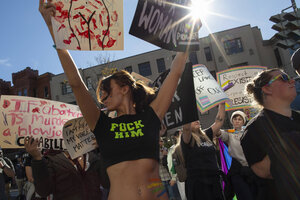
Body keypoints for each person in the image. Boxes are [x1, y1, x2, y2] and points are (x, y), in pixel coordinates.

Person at [39, 0, 191, 199]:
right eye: (100, 94)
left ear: (125, 89)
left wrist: (188, 32)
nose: (102, 97)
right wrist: (53, 28)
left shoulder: (152, 116)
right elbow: (76, 83)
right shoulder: (101, 124)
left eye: (106, 90)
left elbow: (177, 70)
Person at [241, 68, 300, 199]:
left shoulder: (297, 118)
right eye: (284, 78)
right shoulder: (254, 129)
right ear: (267, 89)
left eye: (290, 77)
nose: (292, 80)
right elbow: (262, 172)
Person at [24, 143, 108, 200]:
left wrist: (106, 150)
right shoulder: (52, 160)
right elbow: (43, 191)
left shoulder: (94, 157)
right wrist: (37, 159)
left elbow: (107, 183)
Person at [181, 104, 226, 200]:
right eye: (193, 119)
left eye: (197, 118)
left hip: (214, 180)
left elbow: (219, 121)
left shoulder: (206, 135)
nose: (197, 120)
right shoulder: (187, 139)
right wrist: (187, 106)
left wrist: (222, 103)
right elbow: (186, 129)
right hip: (198, 184)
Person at [217, 111, 257, 200]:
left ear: (243, 121)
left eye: (240, 119)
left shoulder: (249, 132)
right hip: (237, 170)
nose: (237, 121)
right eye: (235, 119)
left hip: (251, 169)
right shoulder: (229, 134)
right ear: (232, 121)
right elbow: (217, 131)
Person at [167, 129, 186, 200]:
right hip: (181, 177)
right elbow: (171, 164)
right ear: (176, 136)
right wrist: (174, 177)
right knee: (184, 196)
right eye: (180, 133)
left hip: (192, 175)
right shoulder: (173, 149)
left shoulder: (188, 145)